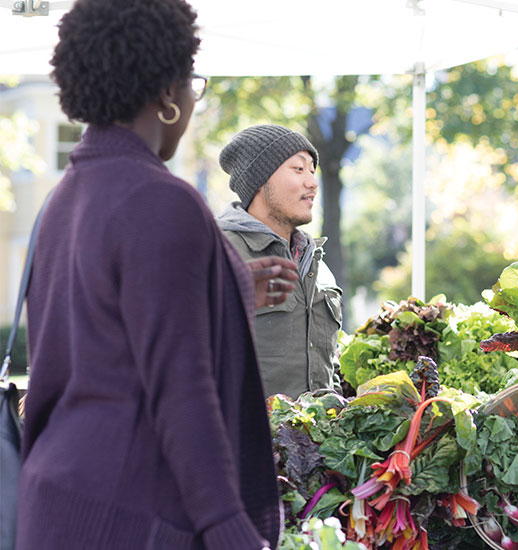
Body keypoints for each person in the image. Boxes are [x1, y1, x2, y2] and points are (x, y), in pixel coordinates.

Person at [17, 0, 293, 548]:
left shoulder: (63, 199)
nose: (194, 99)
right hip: (133, 512)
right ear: (168, 93)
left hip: (55, 503)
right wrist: (227, 526)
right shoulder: (163, 201)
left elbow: (104, 331)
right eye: (194, 83)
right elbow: (181, 386)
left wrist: (228, 287)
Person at [216, 125, 344, 398]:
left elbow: (328, 364)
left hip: (324, 438)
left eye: (312, 170)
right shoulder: (217, 253)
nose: (312, 182)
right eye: (298, 169)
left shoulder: (316, 263)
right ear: (260, 181)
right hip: (248, 439)